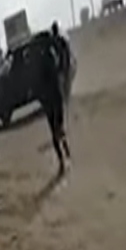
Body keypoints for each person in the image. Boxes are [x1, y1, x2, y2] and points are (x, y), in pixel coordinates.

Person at [35, 32, 71, 174]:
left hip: (50, 99)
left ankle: (62, 159)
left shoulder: (41, 59)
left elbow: (39, 83)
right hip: (55, 97)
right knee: (58, 128)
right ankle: (65, 153)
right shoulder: (51, 54)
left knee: (55, 130)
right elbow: (59, 69)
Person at [50, 21, 73, 104]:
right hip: (61, 66)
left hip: (62, 66)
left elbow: (66, 52)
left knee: (64, 83)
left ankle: (66, 99)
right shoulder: (55, 41)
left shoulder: (57, 41)